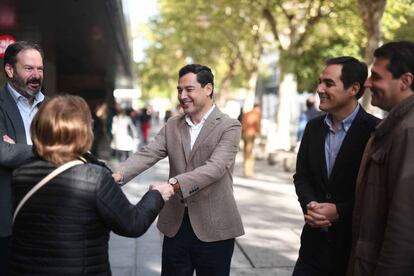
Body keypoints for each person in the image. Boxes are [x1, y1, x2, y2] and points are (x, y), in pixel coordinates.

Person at [9, 95, 174, 275]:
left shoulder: (21, 174)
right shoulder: (94, 178)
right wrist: (157, 195)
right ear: (83, 131)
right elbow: (132, 223)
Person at [113, 64, 244, 276]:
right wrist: (118, 175)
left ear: (208, 89)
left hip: (215, 228)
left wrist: (173, 185)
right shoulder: (173, 125)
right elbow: (149, 153)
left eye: (189, 89)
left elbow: (215, 168)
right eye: (179, 90)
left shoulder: (229, 126)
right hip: (176, 227)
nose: (182, 95)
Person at [293, 56, 379, 276]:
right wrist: (311, 205)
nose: (320, 89)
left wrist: (340, 212)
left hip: (353, 251)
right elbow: (301, 176)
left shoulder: (376, 131)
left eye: (328, 83)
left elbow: (377, 193)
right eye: (320, 82)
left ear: (353, 89)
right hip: (312, 249)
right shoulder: (313, 128)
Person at [347, 41, 414, 276]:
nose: (367, 83)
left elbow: (404, 225)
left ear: (405, 81)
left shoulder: (408, 130)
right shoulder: (394, 126)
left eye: (375, 77)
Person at [0, 41, 47, 273]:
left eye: (40, 69)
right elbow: (3, 153)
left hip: (48, 217)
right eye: (29, 69)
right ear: (10, 70)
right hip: (9, 221)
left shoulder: (52, 108)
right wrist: (49, 150)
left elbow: (73, 150)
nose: (36, 75)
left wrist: (20, 148)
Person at [241, 103, 261, 177]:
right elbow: (257, 125)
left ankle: (246, 170)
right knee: (250, 153)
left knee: (245, 152)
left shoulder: (246, 114)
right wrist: (258, 133)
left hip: (245, 134)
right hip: (251, 135)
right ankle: (248, 171)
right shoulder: (256, 114)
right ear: (257, 108)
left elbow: (242, 124)